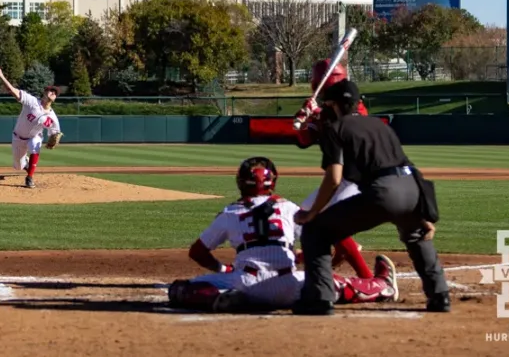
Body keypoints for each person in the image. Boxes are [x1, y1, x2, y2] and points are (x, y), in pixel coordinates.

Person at [292, 79, 449, 316]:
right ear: (357, 103)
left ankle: (320, 299)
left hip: (382, 191)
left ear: (334, 105)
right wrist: (424, 212)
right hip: (411, 187)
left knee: (315, 231)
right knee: (416, 235)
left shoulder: (336, 129)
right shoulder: (381, 125)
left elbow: (334, 179)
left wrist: (313, 212)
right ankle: (440, 297)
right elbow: (409, 166)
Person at [166, 156, 398, 313]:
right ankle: (381, 285)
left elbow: (197, 251)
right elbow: (324, 242)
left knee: (179, 289)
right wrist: (322, 259)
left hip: (247, 283)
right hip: (290, 284)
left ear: (240, 182)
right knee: (338, 285)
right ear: (273, 181)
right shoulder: (289, 208)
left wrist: (223, 269)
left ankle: (218, 299)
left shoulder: (230, 212)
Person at [293, 58, 373, 279]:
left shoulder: (354, 104)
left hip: (360, 178)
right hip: (342, 178)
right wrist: (303, 118)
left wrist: (317, 112)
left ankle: (366, 276)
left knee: (328, 218)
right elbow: (304, 140)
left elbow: (347, 123)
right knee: (302, 214)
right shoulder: (323, 109)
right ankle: (331, 253)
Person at [0, 66, 61, 189]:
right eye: (51, 90)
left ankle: (29, 178)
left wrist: (53, 139)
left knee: (35, 146)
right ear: (45, 92)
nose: (53, 93)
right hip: (18, 137)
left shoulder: (52, 117)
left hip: (34, 137)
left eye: (55, 93)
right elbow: (12, 90)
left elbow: (55, 133)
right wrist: (1, 75)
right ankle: (25, 163)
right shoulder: (32, 101)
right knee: (18, 166)